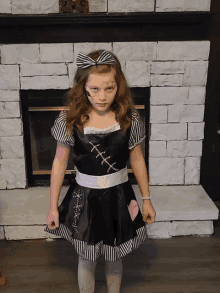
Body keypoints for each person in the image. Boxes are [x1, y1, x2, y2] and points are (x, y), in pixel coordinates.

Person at [44, 49, 156, 293]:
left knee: (115, 255)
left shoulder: (129, 118)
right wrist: (53, 206)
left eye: (110, 88)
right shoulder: (69, 120)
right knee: (87, 257)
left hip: (118, 196)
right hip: (85, 198)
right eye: (94, 89)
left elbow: (137, 160)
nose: (102, 96)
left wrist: (146, 200)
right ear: (83, 86)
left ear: (119, 86)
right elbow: (59, 163)